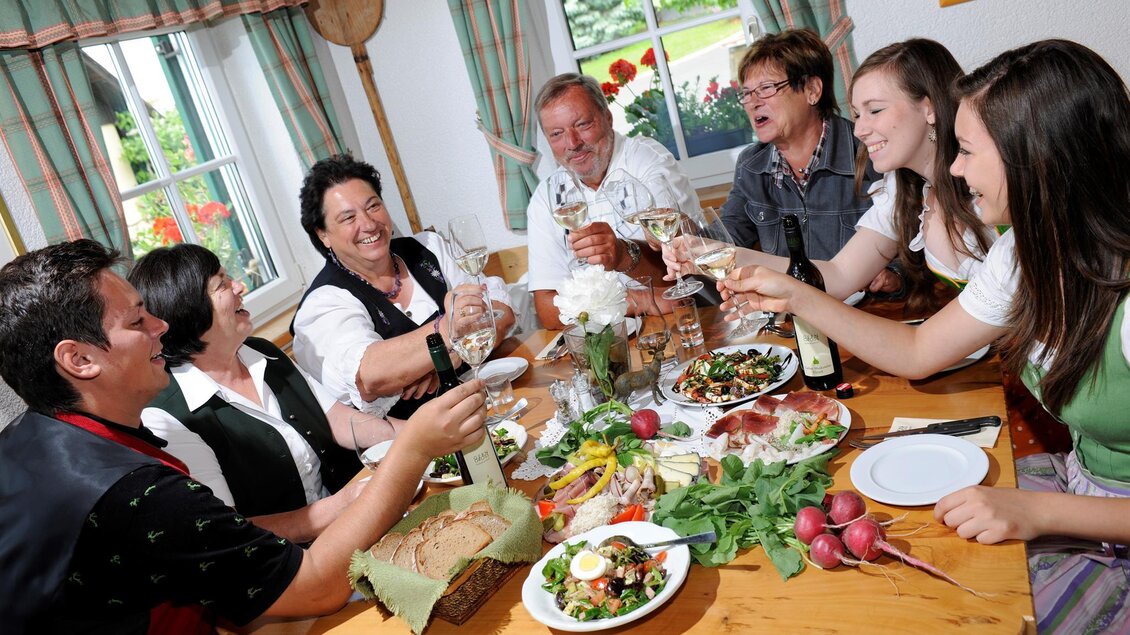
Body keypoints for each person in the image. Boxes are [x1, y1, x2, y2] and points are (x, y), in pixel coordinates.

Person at [722, 40, 1130, 632]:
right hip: (1083, 486)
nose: (956, 171)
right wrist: (796, 295)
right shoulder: (1022, 254)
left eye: (968, 152)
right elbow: (917, 351)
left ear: (1036, 158)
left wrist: (1039, 512)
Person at [0, 239, 486, 634]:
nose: (161, 326)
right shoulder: (137, 490)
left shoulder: (27, 440)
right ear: (79, 360)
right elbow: (314, 586)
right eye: (136, 321)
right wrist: (414, 449)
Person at [666, 38, 996, 310]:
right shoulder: (902, 185)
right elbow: (836, 275)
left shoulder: (991, 177)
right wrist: (707, 252)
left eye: (875, 110)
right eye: (857, 114)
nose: (860, 129)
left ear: (929, 108)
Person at [132, 244, 401, 543]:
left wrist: (414, 433)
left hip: (352, 526)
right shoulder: (168, 417)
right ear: (188, 311)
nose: (239, 287)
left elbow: (339, 420)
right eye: (222, 284)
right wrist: (345, 503)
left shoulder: (262, 352)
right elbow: (229, 529)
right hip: (290, 559)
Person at [292, 154, 515, 419]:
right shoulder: (324, 303)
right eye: (348, 218)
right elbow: (369, 375)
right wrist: (447, 329)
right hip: (415, 436)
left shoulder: (428, 248)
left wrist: (453, 357)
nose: (368, 224)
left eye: (373, 206)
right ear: (323, 234)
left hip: (485, 406)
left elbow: (500, 310)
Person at [720, 29, 892, 293]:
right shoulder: (751, 165)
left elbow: (911, 242)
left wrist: (894, 275)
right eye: (747, 93)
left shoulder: (868, 153)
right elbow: (726, 238)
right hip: (789, 313)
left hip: (867, 310)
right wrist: (682, 240)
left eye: (766, 89)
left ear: (812, 90)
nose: (752, 103)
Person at [527, 72, 699, 330]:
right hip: (605, 336)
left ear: (607, 117)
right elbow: (548, 309)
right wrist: (639, 301)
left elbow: (684, 272)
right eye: (556, 134)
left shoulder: (645, 160)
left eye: (583, 125)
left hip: (680, 322)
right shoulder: (546, 197)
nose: (572, 143)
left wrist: (622, 254)